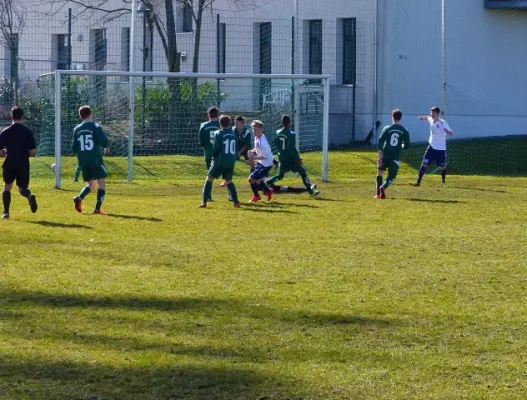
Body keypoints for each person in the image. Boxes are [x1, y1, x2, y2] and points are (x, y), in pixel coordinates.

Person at [266, 114, 319, 197]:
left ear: (281, 122)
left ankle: (268, 183)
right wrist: (297, 158)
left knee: (280, 176)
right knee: (303, 173)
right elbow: (291, 148)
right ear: (289, 122)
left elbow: (276, 145)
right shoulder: (291, 134)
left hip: (282, 159)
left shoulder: (277, 132)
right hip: (291, 160)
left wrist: (280, 155)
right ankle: (310, 192)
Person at [0, 106, 38, 219]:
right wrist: (24, 153)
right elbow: (33, 151)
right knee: (22, 189)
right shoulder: (27, 132)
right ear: (22, 117)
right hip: (23, 163)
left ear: (11, 116)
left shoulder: (5, 132)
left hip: (10, 162)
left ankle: (6, 213)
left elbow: (0, 151)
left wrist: (4, 153)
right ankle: (29, 196)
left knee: (7, 186)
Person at [72, 105, 110, 214]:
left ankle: (79, 198)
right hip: (95, 159)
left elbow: (73, 147)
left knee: (91, 185)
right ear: (91, 114)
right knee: (101, 183)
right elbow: (104, 140)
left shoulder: (77, 129)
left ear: (80, 116)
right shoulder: (95, 126)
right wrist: (106, 147)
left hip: (83, 161)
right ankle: (97, 209)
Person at [199, 115, 240, 208]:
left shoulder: (218, 133)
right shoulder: (233, 134)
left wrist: (214, 157)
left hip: (219, 161)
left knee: (209, 179)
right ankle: (236, 202)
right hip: (230, 161)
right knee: (229, 181)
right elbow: (236, 146)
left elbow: (216, 148)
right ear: (229, 124)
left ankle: (204, 202)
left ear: (220, 124)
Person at [411, 106, 454, 186]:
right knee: (424, 163)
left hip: (440, 149)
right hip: (431, 147)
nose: (432, 114)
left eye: (433, 113)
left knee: (442, 167)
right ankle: (418, 182)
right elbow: (427, 118)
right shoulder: (431, 119)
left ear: (437, 113)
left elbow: (451, 133)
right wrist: (421, 118)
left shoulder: (442, 122)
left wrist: (447, 131)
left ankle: (443, 182)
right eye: (431, 112)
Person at [375, 109, 410, 199]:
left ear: (392, 117)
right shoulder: (404, 131)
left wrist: (379, 156)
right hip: (395, 156)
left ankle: (378, 194)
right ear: (400, 118)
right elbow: (407, 145)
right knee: (391, 177)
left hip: (385, 155)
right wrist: (402, 145)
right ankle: (384, 187)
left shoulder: (387, 128)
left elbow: (380, 141)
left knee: (380, 173)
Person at [246, 120, 274, 203]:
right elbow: (257, 148)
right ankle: (268, 191)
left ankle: (257, 196)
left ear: (261, 130)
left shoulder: (263, 142)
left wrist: (253, 158)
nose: (254, 132)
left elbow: (264, 157)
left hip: (266, 164)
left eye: (256, 130)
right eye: (253, 129)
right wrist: (252, 150)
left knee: (251, 179)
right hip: (261, 162)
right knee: (256, 179)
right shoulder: (257, 137)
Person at [198, 107, 220, 201]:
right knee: (227, 175)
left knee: (210, 176)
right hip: (220, 155)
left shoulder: (203, 125)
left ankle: (208, 195)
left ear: (208, 115)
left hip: (209, 154)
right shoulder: (221, 125)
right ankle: (231, 195)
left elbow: (201, 142)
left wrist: (206, 150)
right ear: (218, 115)